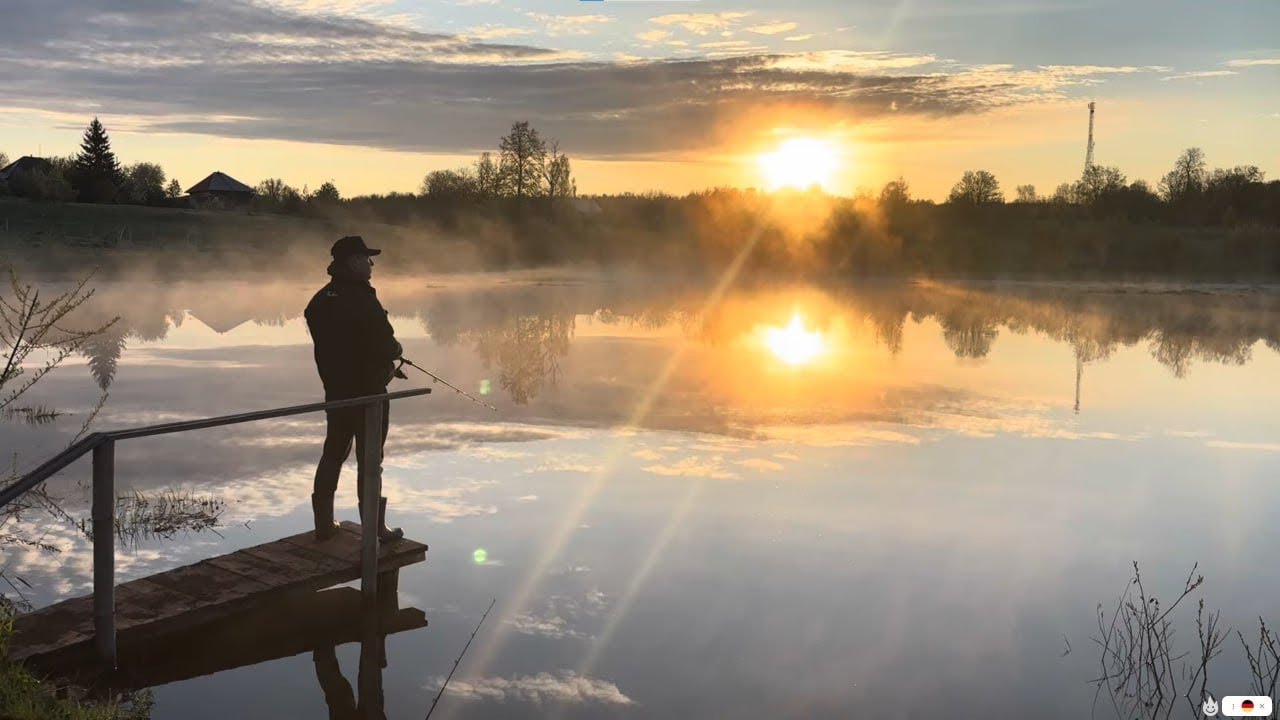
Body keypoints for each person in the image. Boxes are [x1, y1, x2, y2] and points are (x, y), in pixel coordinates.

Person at [305, 235, 406, 542]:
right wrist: (393, 355)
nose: (371, 264)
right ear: (352, 262)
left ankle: (324, 525)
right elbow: (386, 345)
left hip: (335, 392)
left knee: (333, 453)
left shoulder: (319, 300)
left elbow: (337, 347)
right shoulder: (362, 298)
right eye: (366, 258)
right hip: (369, 394)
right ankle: (375, 529)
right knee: (371, 459)